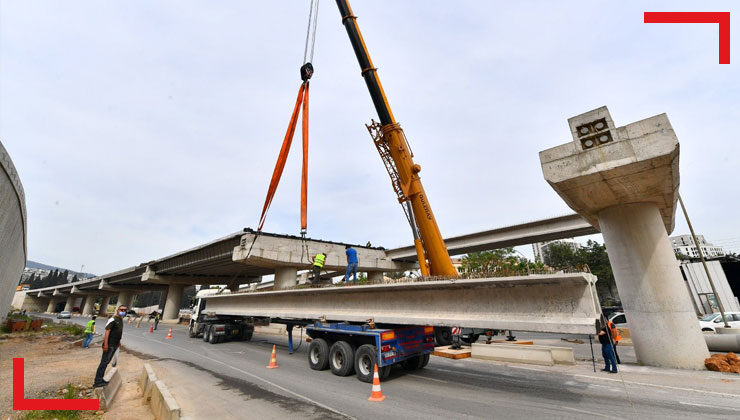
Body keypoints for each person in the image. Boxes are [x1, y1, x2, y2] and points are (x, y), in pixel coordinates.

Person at [94, 305, 126, 387]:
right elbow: (107, 331)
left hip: (115, 344)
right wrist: (105, 344)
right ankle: (97, 381)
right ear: (117, 310)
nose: (123, 311)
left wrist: (119, 342)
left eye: (124, 310)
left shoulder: (120, 320)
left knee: (106, 362)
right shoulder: (113, 319)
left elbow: (118, 332)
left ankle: (101, 379)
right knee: (104, 362)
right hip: (109, 344)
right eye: (121, 310)